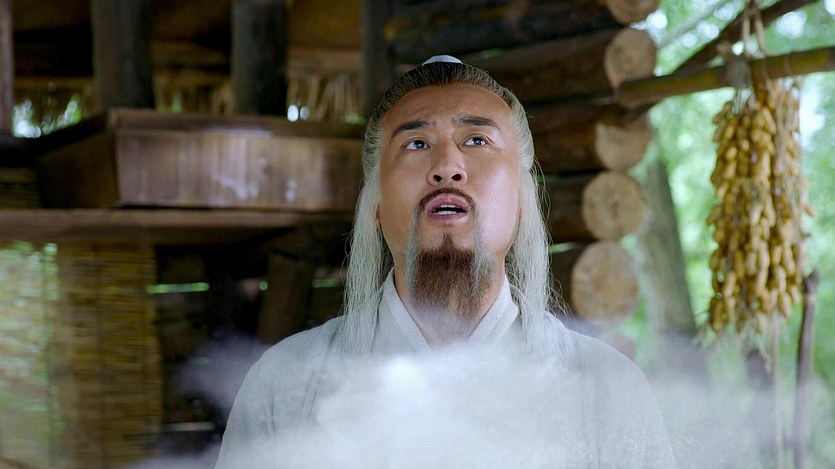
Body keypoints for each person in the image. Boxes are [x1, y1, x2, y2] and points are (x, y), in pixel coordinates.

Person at [214, 56, 676, 468]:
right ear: (376, 207)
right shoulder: (286, 384)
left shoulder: (605, 389)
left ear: (521, 202)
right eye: (415, 144)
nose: (447, 166)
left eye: (477, 139)